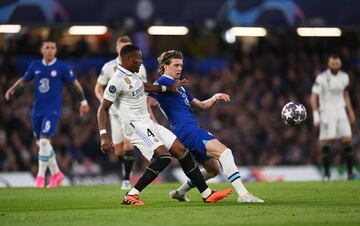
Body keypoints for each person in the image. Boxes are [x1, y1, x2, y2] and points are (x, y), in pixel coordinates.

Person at [97, 44, 231, 205]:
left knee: (182, 151)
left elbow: (147, 87)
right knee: (164, 157)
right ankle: (132, 194)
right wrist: (103, 135)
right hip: (136, 127)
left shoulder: (133, 76)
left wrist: (169, 88)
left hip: (148, 122)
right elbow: (102, 109)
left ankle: (207, 194)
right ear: (127, 59)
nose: (141, 61)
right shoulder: (116, 81)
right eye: (138, 58)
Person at [149, 50, 264, 203]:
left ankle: (180, 192)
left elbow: (202, 105)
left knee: (213, 170)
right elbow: (147, 103)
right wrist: (154, 127)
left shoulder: (179, 87)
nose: (179, 68)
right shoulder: (162, 82)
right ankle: (243, 195)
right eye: (176, 65)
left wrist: (215, 97)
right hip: (187, 130)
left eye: (181, 65)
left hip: (190, 129)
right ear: (165, 66)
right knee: (225, 153)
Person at [5, 40, 90, 188]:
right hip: (37, 110)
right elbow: (24, 80)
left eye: (52, 48)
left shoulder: (61, 67)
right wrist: (12, 88)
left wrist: (83, 102)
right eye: (47, 47)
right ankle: (56, 173)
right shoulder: (35, 66)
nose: (50, 50)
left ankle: (40, 178)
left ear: (56, 50)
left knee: (44, 141)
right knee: (42, 144)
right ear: (42, 50)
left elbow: (75, 84)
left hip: (53, 110)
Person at [94, 35, 147, 190]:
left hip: (131, 113)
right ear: (117, 49)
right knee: (118, 151)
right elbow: (98, 88)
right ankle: (126, 170)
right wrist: (104, 102)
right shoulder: (108, 66)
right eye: (121, 47)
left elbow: (144, 87)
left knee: (128, 144)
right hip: (114, 114)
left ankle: (126, 180)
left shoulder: (139, 66)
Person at [310, 54, 356, 181]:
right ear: (328, 64)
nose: (335, 66)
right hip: (327, 111)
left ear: (340, 64)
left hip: (341, 110)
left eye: (337, 64)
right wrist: (316, 115)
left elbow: (345, 95)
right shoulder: (321, 78)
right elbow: (314, 97)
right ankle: (326, 173)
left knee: (347, 139)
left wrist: (350, 111)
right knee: (326, 141)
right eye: (332, 64)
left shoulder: (344, 77)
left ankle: (350, 173)